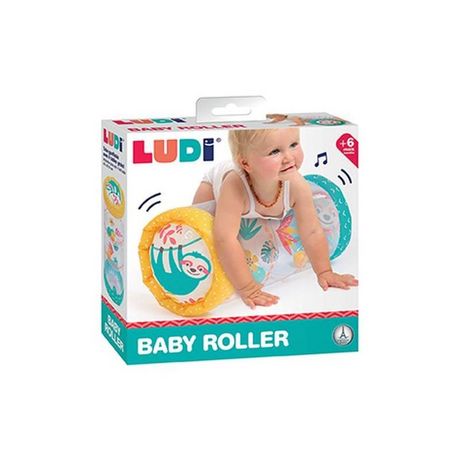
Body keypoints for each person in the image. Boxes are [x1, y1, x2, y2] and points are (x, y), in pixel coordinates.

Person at [192, 128, 358, 309]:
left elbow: (311, 231)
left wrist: (324, 271)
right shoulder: (234, 187)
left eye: (294, 144)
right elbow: (225, 239)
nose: (289, 157)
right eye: (274, 151)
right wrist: (248, 288)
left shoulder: (297, 186)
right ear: (246, 164)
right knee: (199, 225)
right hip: (213, 185)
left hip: (259, 194)